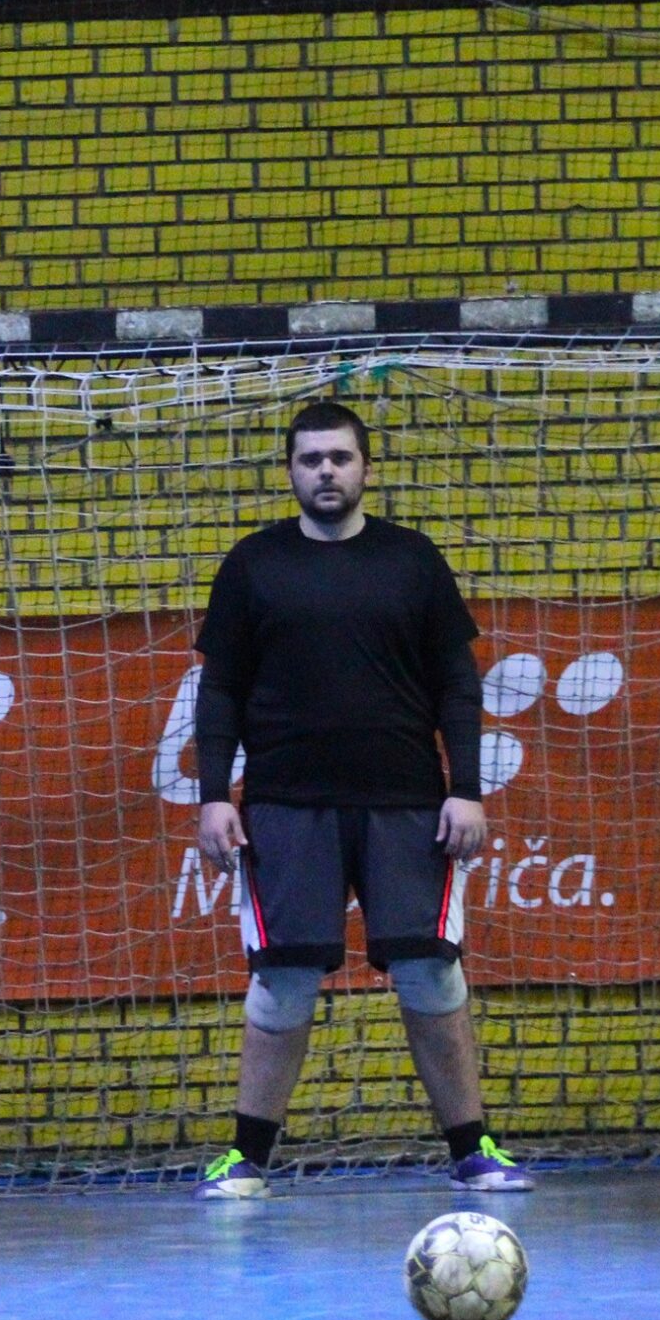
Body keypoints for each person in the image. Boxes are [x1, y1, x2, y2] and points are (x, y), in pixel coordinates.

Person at [192, 401, 533, 1199]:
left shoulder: (413, 560)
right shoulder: (252, 565)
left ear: (366, 468)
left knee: (430, 973)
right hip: (285, 807)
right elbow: (221, 690)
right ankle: (246, 1158)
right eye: (311, 458)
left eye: (340, 457)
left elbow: (457, 685)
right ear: (290, 470)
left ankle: (473, 1149)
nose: (326, 471)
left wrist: (466, 789)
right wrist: (212, 795)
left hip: (406, 805)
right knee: (283, 979)